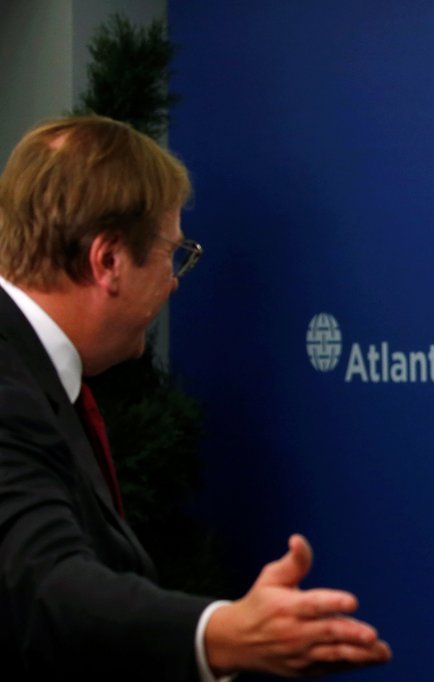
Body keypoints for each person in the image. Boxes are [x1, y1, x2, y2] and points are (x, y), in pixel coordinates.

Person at [0, 116, 391, 680]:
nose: (174, 281)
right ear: (108, 262)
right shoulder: (9, 391)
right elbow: (43, 588)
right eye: (173, 254)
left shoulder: (35, 373)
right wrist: (220, 634)